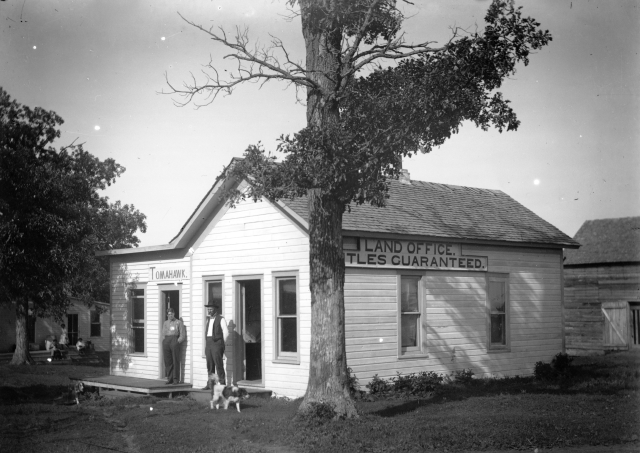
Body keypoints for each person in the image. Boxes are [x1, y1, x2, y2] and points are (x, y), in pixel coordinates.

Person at [202, 302, 229, 390]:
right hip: (209, 343)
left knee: (218, 365)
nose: (209, 310)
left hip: (217, 343)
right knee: (210, 365)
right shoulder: (208, 319)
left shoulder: (221, 319)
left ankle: (222, 384)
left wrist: (221, 343)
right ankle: (211, 384)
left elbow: (226, 332)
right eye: (208, 309)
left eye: (211, 309)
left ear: (215, 309)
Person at [162, 307, 186, 385]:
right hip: (167, 341)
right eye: (169, 314)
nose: (170, 316)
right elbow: (163, 333)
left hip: (174, 340)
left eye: (171, 314)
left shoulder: (178, 322)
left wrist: (177, 342)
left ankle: (175, 379)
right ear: (167, 315)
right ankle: (170, 378)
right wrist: (164, 341)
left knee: (175, 360)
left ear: (174, 314)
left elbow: (182, 335)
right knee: (168, 360)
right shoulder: (165, 323)